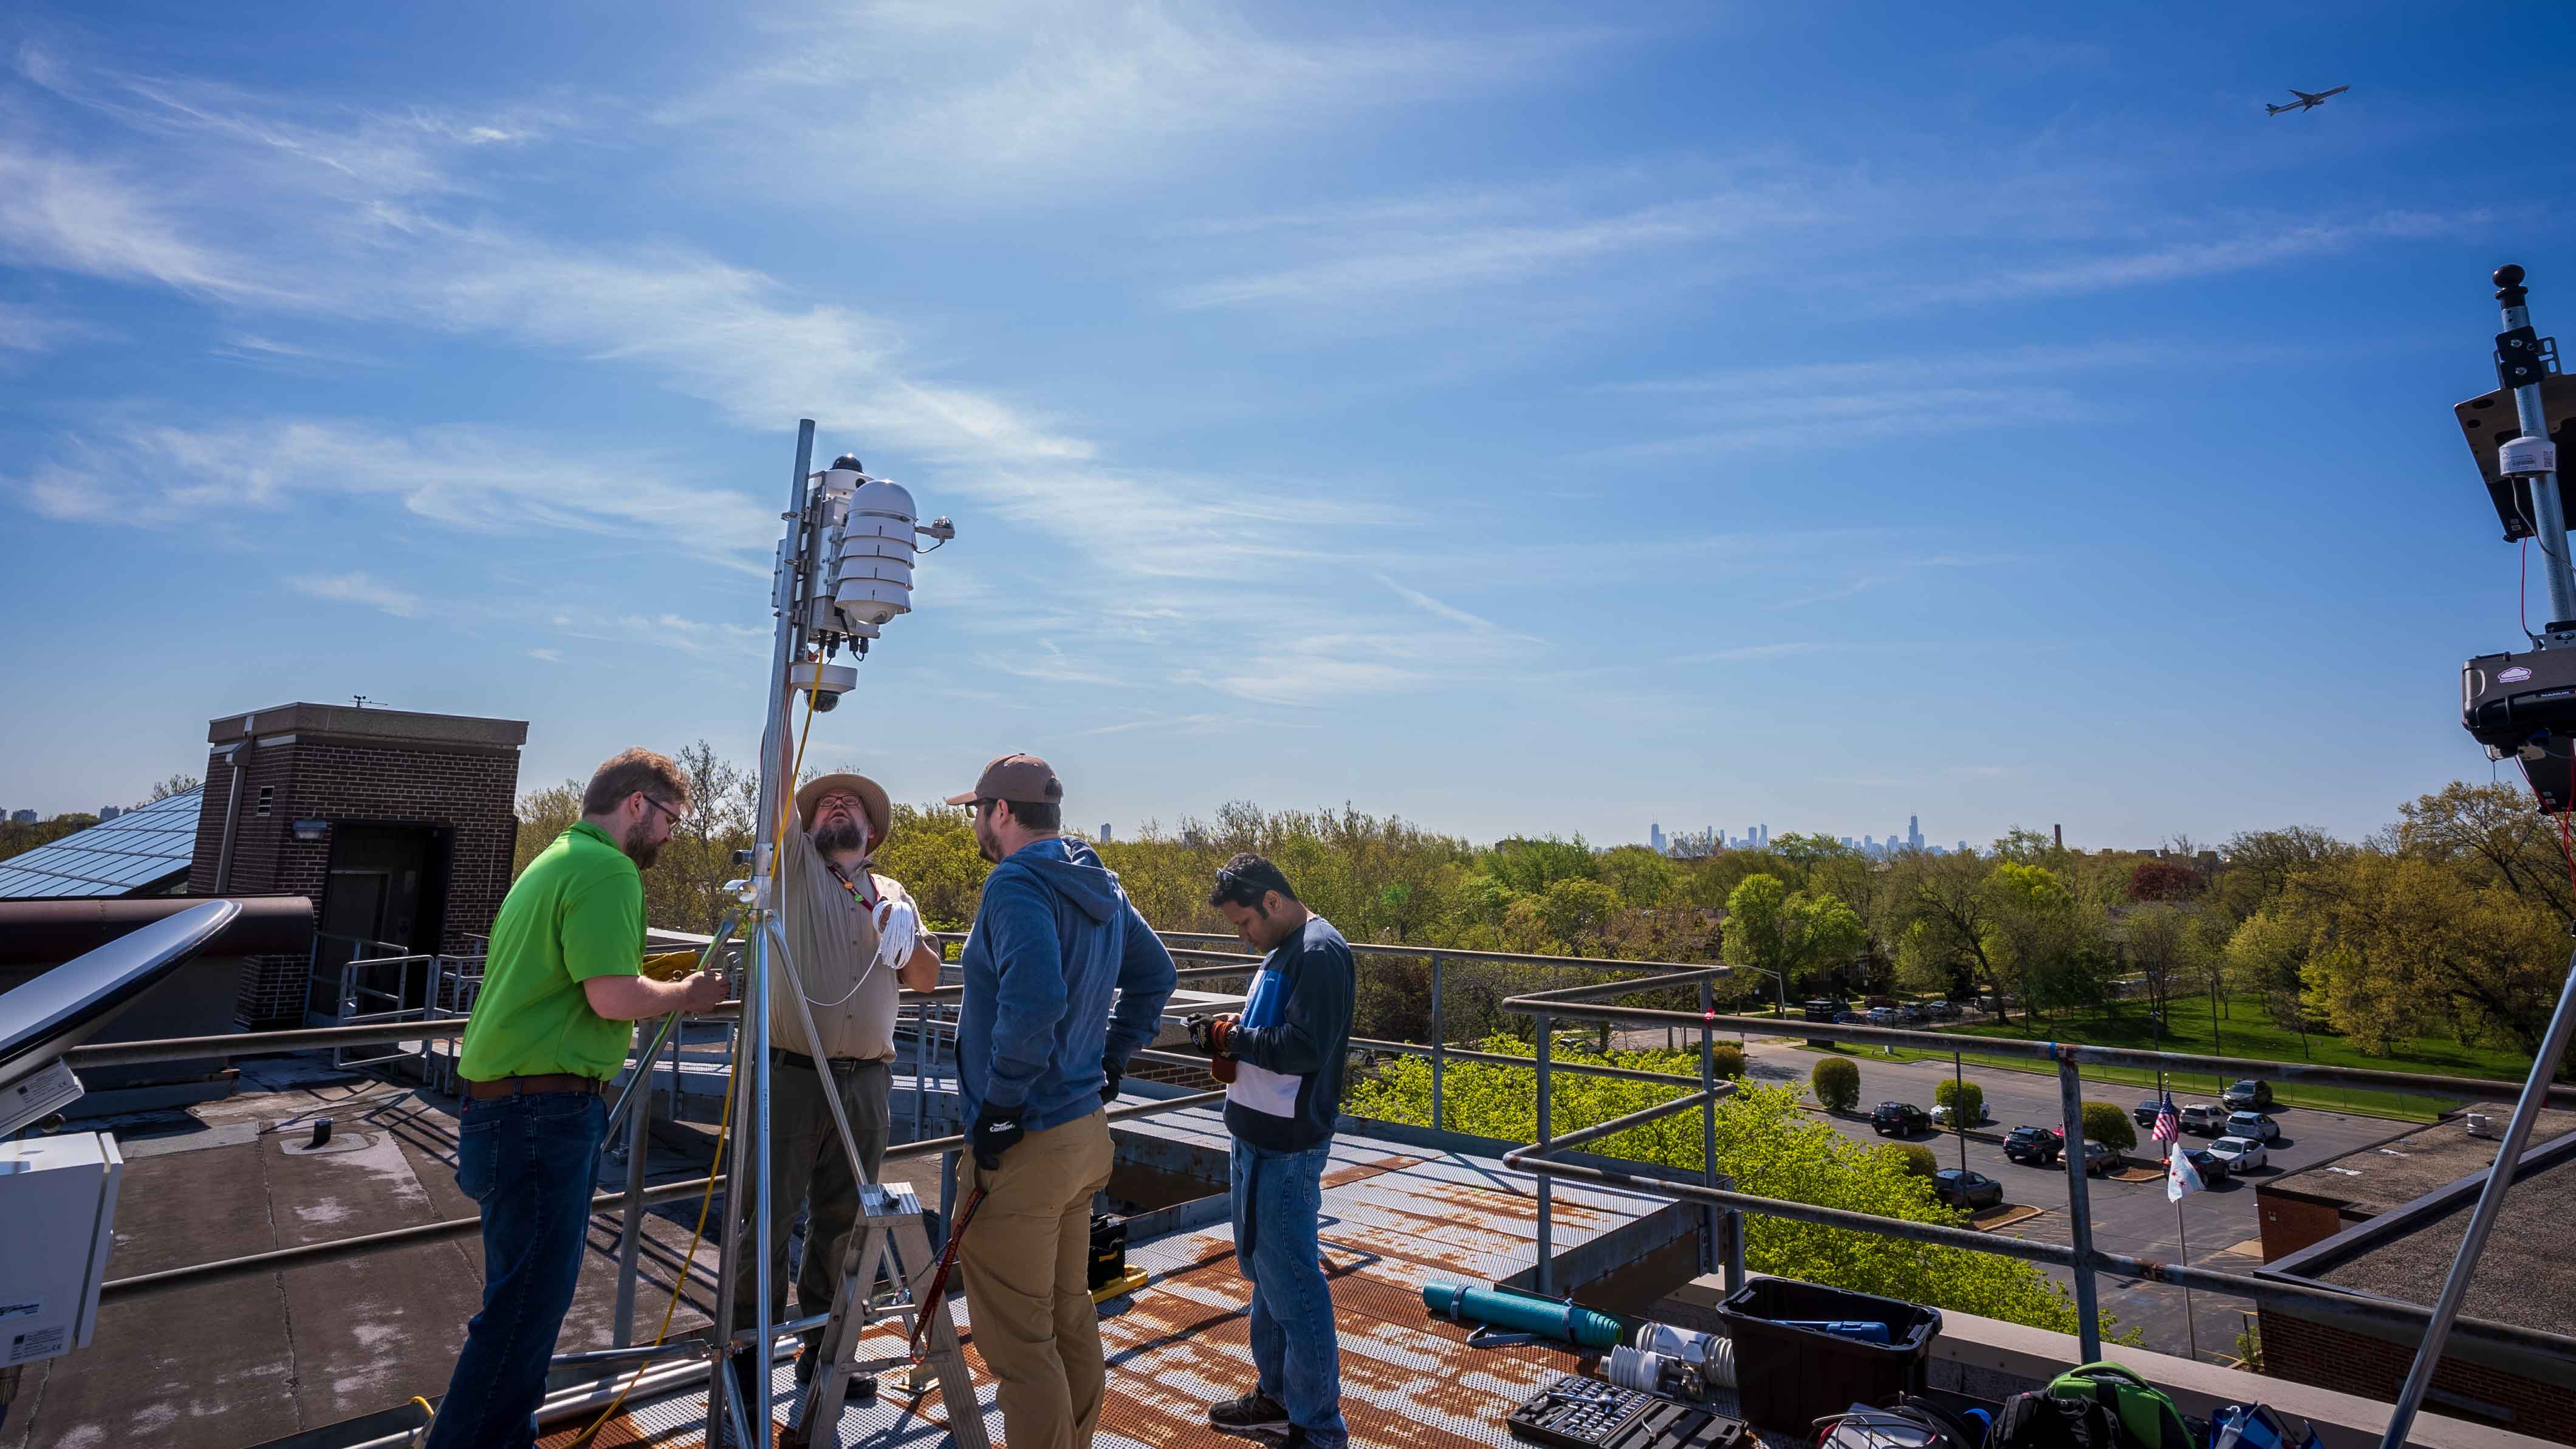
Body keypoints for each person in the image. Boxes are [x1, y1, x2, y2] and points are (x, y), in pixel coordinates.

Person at [426, 748, 729, 1449]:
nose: (670, 837)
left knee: (515, 1302)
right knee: (524, 1312)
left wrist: (639, 976)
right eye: (672, 821)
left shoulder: (557, 859)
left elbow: (574, 980)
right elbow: (611, 994)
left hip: (505, 1107)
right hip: (542, 1115)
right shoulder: (608, 869)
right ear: (636, 806)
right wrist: (688, 994)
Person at [946, 753, 1176, 1449]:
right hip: (1082, 1134)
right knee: (1068, 1313)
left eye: (977, 812)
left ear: (1003, 813)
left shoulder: (1016, 882)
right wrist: (1110, 1055)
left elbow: (1036, 999)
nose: (977, 825)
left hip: (1029, 1144)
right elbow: (1155, 974)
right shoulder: (1096, 880)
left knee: (1018, 1344)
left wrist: (1002, 1107)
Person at [727, 767, 944, 1427]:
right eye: (824, 804)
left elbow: (927, 979)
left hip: (867, 1080)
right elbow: (779, 776)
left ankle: (824, 1349)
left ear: (872, 833)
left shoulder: (893, 893)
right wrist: (794, 682)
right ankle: (744, 1349)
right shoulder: (796, 871)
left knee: (844, 1223)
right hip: (791, 1075)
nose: (835, 806)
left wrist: (904, 926)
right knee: (764, 1215)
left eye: (850, 805)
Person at [1187, 853, 1354, 1449]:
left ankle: (1317, 1427)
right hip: (1255, 1135)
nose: (1243, 934)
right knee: (1267, 1276)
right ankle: (1279, 1400)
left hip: (1286, 1147)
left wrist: (1234, 1037)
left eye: (1245, 923)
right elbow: (1273, 1032)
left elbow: (1304, 1048)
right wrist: (1235, 1031)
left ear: (1274, 903)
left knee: (1295, 1285)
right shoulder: (1283, 951)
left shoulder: (1320, 953)